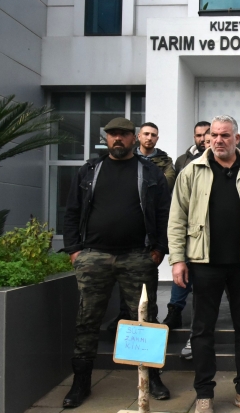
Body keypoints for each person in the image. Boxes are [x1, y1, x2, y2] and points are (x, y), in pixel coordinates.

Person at [168, 115, 240, 413]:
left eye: (225, 135)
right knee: (202, 330)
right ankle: (204, 394)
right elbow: (177, 219)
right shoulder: (191, 172)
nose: (218, 140)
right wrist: (177, 259)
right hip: (205, 263)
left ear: (237, 138)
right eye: (214, 135)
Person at [62, 117, 171, 408]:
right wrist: (74, 250)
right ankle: (81, 383)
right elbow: (72, 211)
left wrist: (159, 249)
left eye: (123, 134)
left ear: (134, 138)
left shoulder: (150, 172)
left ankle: (153, 378)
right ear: (106, 138)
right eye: (112, 134)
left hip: (138, 256)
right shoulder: (90, 170)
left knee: (146, 319)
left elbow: (164, 212)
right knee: (87, 320)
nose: (118, 139)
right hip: (94, 256)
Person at [105, 121, 177, 333]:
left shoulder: (164, 161)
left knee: (145, 289)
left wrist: (160, 246)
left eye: (153, 135)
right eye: (146, 134)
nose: (149, 138)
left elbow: (167, 183)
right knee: (121, 282)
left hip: (147, 233)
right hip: (117, 236)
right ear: (138, 137)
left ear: (157, 138)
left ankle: (146, 330)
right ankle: (123, 316)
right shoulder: (122, 159)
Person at [164, 122, 211, 329]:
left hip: (213, 232)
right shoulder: (183, 162)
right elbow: (178, 199)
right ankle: (175, 310)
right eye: (199, 136)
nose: (203, 141)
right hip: (190, 227)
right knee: (183, 269)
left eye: (207, 137)